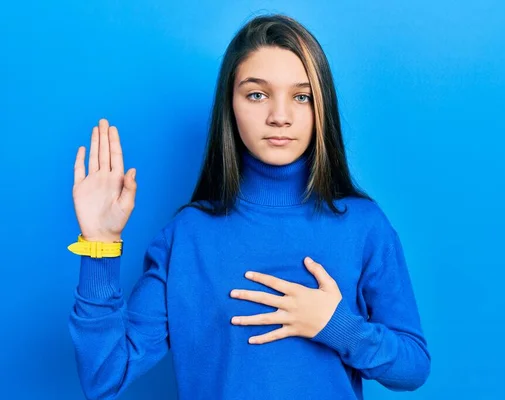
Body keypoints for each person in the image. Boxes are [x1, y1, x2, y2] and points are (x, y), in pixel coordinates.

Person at [68, 13, 431, 400]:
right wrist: (100, 244)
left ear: (321, 107)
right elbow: (105, 375)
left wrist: (336, 325)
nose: (280, 116)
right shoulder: (188, 235)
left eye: (301, 96)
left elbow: (413, 367)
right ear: (231, 105)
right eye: (257, 94)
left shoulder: (363, 225)